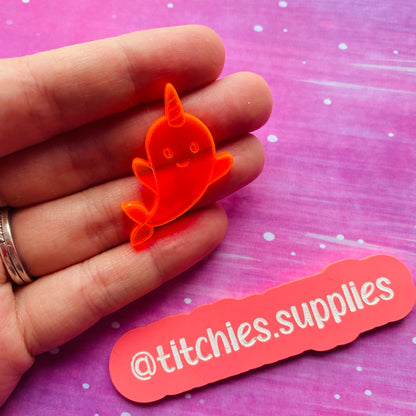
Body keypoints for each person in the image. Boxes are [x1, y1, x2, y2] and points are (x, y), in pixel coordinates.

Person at [0, 25, 272, 405]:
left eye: (188, 151)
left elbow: (218, 165)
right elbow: (175, 169)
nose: (180, 158)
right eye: (170, 155)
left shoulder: (201, 159)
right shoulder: (161, 165)